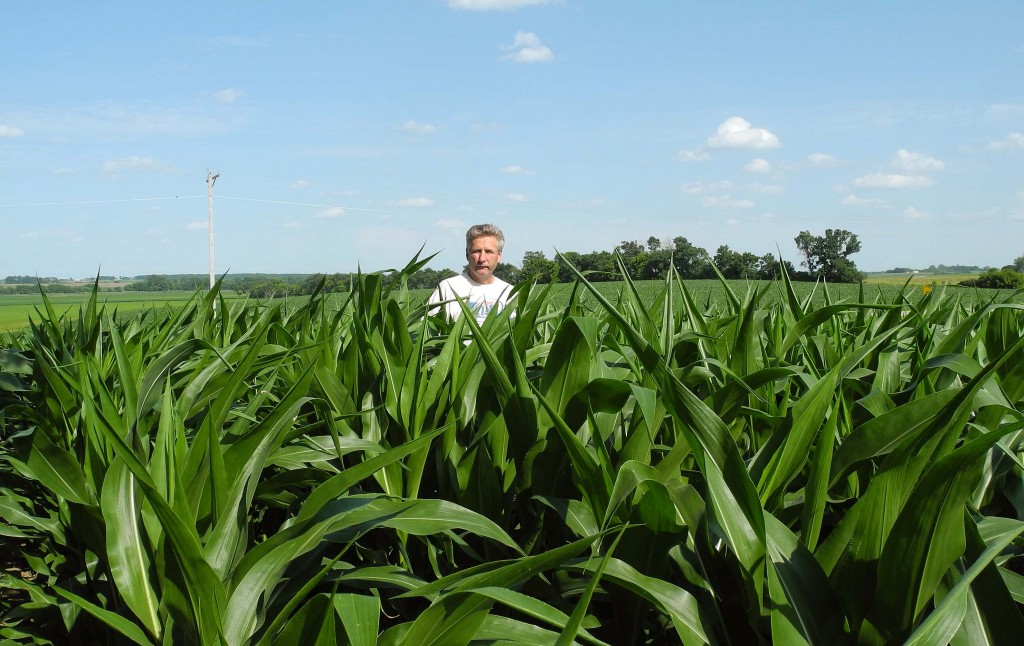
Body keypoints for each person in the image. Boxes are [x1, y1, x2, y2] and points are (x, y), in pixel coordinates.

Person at [428, 224, 514, 324]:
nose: (482, 259)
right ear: (467, 254)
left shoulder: (510, 293)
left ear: (499, 256)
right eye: (476, 251)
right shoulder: (447, 288)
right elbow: (427, 328)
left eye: (489, 252)